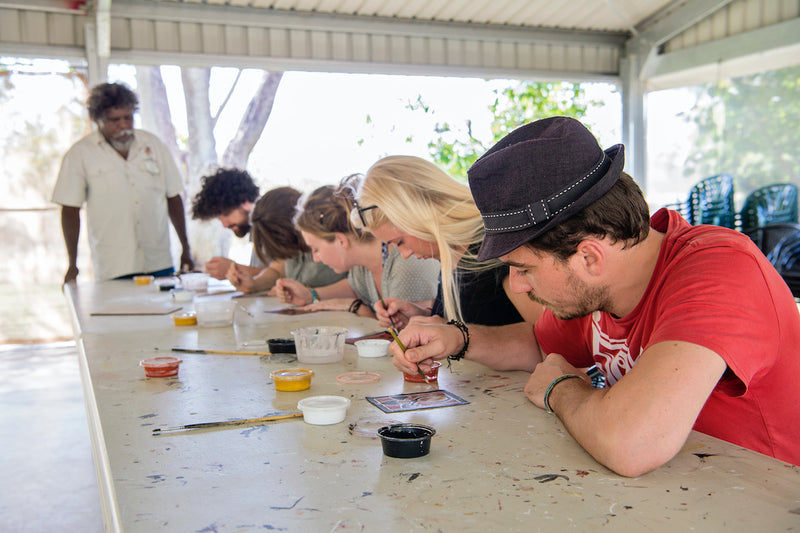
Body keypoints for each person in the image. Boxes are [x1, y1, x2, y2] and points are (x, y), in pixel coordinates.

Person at [390, 116, 800, 476]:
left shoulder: (721, 271)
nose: (516, 285)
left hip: (761, 498)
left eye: (524, 268)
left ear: (588, 256)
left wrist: (562, 389)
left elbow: (634, 444)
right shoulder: (596, 289)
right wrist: (457, 337)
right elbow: (539, 343)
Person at [352, 155, 543, 330]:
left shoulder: (495, 248)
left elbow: (549, 339)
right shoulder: (451, 252)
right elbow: (481, 315)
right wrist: (422, 314)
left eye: (400, 242)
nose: (405, 254)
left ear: (418, 214)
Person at [52, 82, 192, 282]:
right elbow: (70, 210)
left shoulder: (153, 145)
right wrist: (72, 264)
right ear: (97, 120)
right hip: (114, 266)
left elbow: (173, 197)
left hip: (158, 262)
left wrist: (186, 249)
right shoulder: (80, 154)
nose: (124, 125)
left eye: (128, 117)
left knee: (164, 311)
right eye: (114, 120)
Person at [276, 179, 440, 317]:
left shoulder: (406, 261)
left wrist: (356, 307)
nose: (315, 258)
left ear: (341, 240)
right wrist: (310, 295)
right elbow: (355, 288)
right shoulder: (363, 266)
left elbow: (402, 331)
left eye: (316, 249)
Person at [229, 186, 346, 294]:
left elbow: (356, 286)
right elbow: (277, 270)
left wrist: (311, 294)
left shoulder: (329, 235)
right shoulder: (292, 248)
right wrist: (254, 283)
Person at [190, 168, 264, 279]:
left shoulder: (272, 221)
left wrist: (234, 270)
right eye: (219, 219)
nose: (225, 224)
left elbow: (284, 276)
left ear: (246, 200)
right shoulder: (256, 230)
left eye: (226, 213)